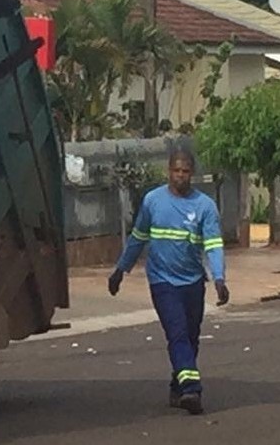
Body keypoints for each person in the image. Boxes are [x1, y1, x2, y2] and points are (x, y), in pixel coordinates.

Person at [108, 149, 230, 415]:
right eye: (176, 170)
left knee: (191, 336)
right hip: (162, 281)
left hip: (193, 281)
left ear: (192, 174)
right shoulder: (153, 201)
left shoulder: (205, 206)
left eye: (186, 171)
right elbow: (138, 237)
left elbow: (213, 245)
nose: (180, 176)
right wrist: (121, 270)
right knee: (177, 333)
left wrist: (219, 278)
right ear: (169, 171)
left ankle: (178, 385)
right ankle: (192, 389)